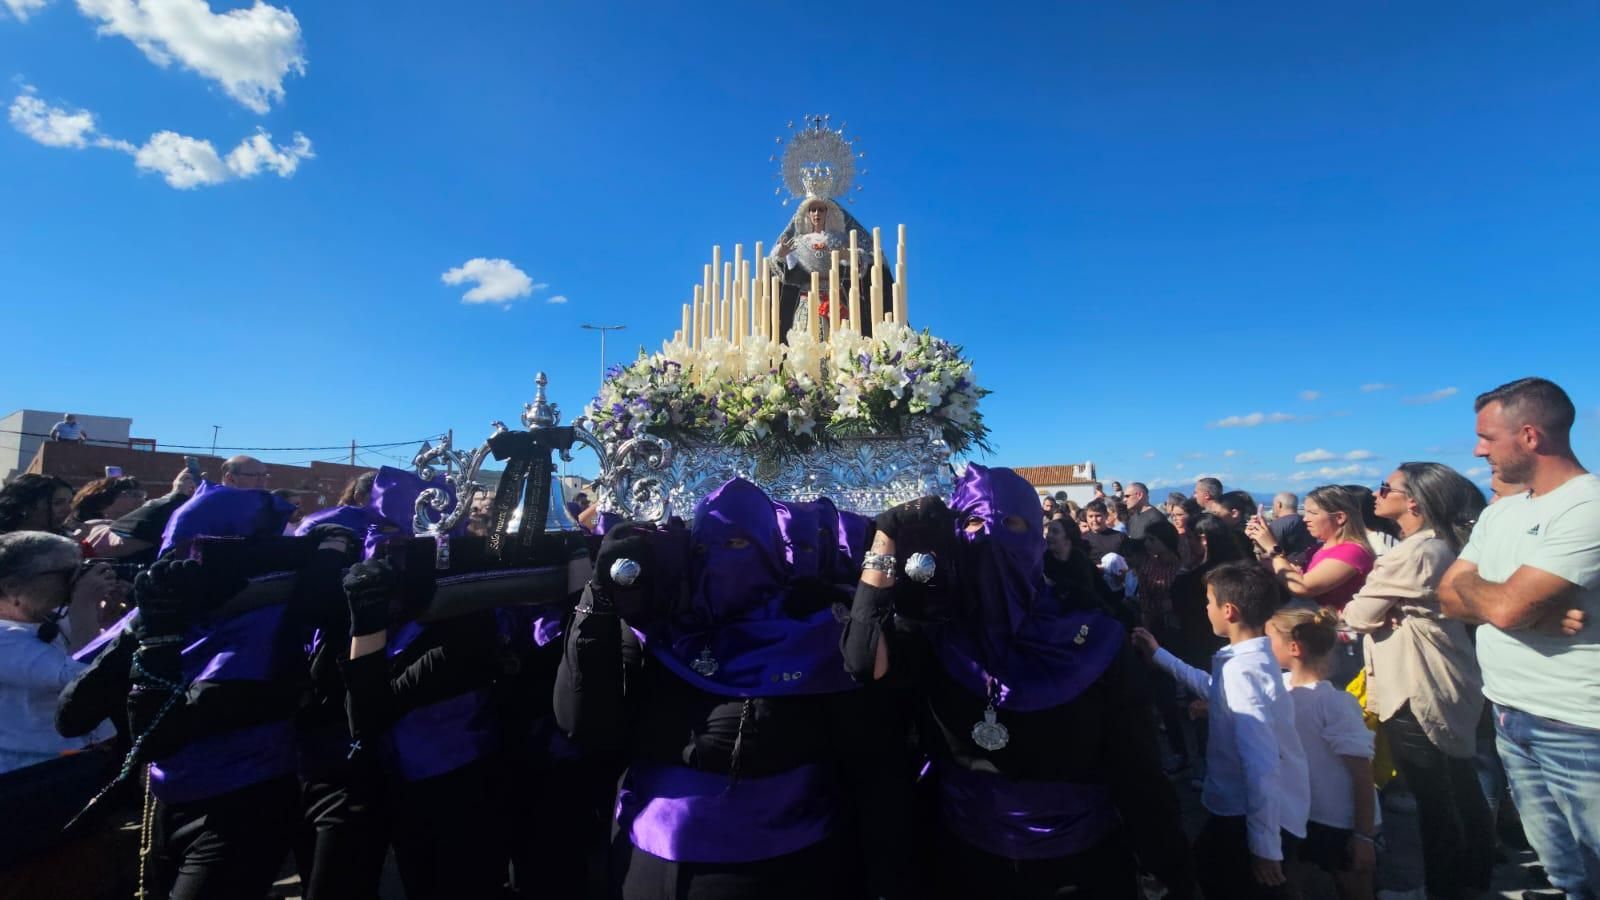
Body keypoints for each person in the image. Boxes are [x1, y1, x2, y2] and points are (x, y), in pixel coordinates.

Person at [844, 466, 1195, 898]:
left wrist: (1168, 865)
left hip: (1080, 868)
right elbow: (863, 660)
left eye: (1010, 523)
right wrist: (885, 537)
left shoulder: (1095, 638)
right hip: (964, 861)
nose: (990, 537)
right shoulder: (936, 635)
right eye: (974, 522)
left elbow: (1137, 770)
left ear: (1034, 537)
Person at [556, 479, 880, 899]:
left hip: (782, 864)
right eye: (703, 550)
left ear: (769, 551)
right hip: (652, 860)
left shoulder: (813, 634)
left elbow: (867, 764)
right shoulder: (658, 631)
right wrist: (599, 597)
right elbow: (581, 721)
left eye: (739, 544)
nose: (719, 560)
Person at [1439, 377, 1600, 898]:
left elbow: (1502, 606)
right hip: (1510, 713)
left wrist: (1494, 598)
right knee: (1564, 873)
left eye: (1487, 437)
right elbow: (1447, 596)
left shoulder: (1587, 507)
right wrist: (1525, 612)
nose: (1477, 450)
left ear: (1530, 436)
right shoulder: (1502, 510)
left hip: (1578, 725)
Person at [1342, 463, 1493, 900]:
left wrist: (1374, 610)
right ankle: (1472, 879)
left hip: (1416, 683)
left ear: (1413, 501)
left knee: (1435, 797)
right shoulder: (1443, 545)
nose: (1376, 494)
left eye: (1384, 487)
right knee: (1459, 785)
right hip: (1447, 676)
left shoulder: (1414, 553)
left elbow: (1358, 614)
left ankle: (1445, 887)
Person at [1132, 561, 1308, 900]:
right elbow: (1213, 687)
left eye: (1209, 602)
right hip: (1249, 809)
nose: (1206, 608)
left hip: (1247, 814)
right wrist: (1159, 655)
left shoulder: (1243, 671)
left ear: (1229, 611)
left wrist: (1265, 846)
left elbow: (1261, 764)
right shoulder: (1250, 661)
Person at [1266, 606, 1376, 900]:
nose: (1264, 645)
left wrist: (1363, 837)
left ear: (1294, 647)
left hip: (1341, 822)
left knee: (1353, 888)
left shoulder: (1335, 704)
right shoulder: (1280, 688)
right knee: (1296, 885)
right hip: (1300, 816)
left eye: (1269, 638)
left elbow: (1362, 775)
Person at [0, 532, 117, 773]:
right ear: (12, 586)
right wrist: (84, 606)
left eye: (81, 571)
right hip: (34, 771)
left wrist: (109, 616)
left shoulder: (54, 617)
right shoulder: (4, 637)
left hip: (84, 758)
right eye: (68, 574)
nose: (78, 582)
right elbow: (80, 681)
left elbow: (109, 660)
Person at [769, 197, 886, 338]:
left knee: (839, 340)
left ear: (827, 212)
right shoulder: (798, 243)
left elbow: (865, 258)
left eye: (821, 210)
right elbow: (782, 267)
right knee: (808, 339)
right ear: (807, 213)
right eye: (813, 210)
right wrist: (782, 254)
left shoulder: (840, 240)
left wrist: (848, 254)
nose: (816, 213)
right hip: (808, 300)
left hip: (835, 298)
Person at [1248, 485, 1375, 610]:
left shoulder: (1352, 551)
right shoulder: (1318, 549)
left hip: (1332, 622)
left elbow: (1302, 587)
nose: (1305, 519)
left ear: (1339, 517)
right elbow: (1284, 572)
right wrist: (1259, 540)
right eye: (1305, 512)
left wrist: (1272, 547)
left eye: (1313, 513)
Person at [0, 474, 74, 535]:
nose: (68, 510)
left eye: (70, 502)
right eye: (57, 503)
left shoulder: (67, 540)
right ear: (25, 506)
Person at [1267, 492, 1315, 562]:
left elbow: (1270, 550)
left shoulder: (1277, 525)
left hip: (1286, 565)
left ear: (1279, 505)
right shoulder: (1308, 522)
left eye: (1273, 505)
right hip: (1310, 563)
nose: (1273, 507)